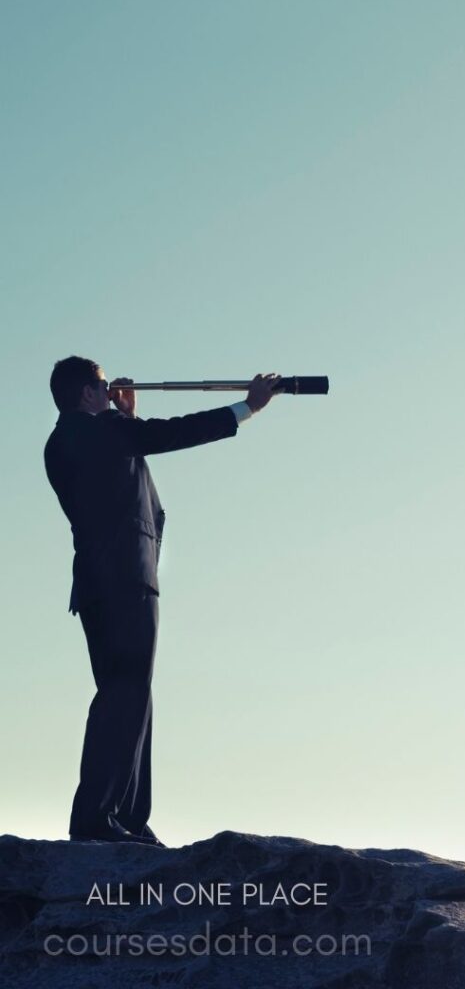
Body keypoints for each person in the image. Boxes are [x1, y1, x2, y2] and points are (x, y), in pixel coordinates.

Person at [43, 358, 280, 846]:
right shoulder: (94, 432)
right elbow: (171, 433)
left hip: (109, 581)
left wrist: (125, 418)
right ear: (87, 394)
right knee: (124, 693)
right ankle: (97, 817)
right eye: (104, 388)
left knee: (132, 694)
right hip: (121, 580)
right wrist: (247, 408)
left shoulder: (78, 437)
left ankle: (126, 815)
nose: (111, 395)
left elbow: (124, 474)